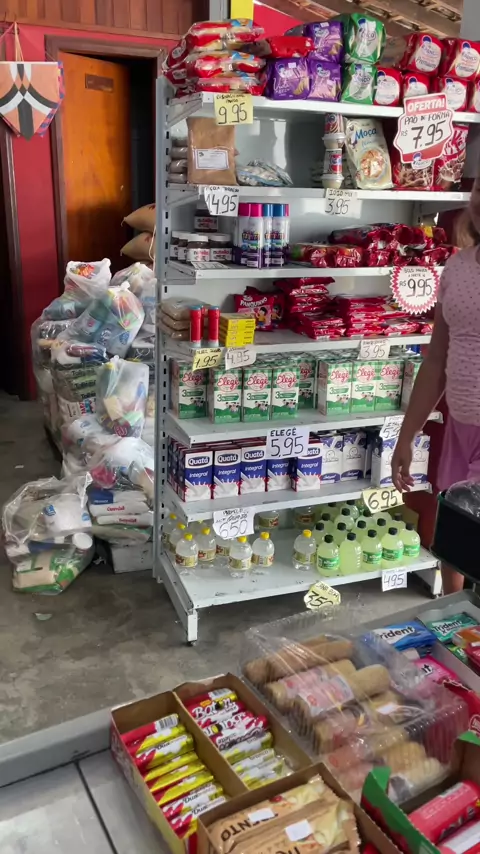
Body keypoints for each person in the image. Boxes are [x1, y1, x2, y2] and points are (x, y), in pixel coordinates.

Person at [391, 203, 480, 595]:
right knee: (453, 541)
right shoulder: (458, 268)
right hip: (460, 427)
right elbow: (436, 360)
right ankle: (453, 616)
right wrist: (407, 435)